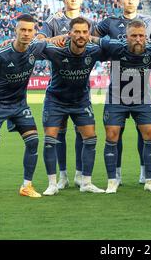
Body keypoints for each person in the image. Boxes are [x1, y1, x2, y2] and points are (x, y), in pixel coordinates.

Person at [0, 14, 62, 200]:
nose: (25, 33)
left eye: (29, 30)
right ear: (15, 30)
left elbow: (51, 40)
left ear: (34, 32)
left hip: (19, 105)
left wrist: (69, 37)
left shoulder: (35, 48)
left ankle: (26, 186)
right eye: (22, 29)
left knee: (33, 141)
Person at [91, 19, 151, 193]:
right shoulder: (114, 47)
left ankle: (149, 180)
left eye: (141, 36)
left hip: (142, 100)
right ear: (126, 37)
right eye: (134, 36)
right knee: (112, 135)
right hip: (117, 99)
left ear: (146, 37)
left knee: (150, 135)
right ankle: (112, 180)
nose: (138, 39)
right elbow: (93, 39)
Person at [94, 0, 151, 185]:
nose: (130, 1)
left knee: (144, 132)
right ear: (120, 0)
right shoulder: (110, 22)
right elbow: (93, 38)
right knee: (115, 133)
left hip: (142, 87)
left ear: (139, 0)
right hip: (117, 87)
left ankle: (144, 172)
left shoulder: (150, 21)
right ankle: (116, 174)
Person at [36, 0, 95, 190]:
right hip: (58, 89)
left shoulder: (88, 23)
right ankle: (62, 177)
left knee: (83, 133)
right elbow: (40, 40)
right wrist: (57, 38)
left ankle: (80, 175)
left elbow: (97, 43)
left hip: (81, 91)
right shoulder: (54, 20)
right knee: (57, 135)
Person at [40, 17, 106, 195]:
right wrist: (50, 39)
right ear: (69, 33)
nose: (81, 35)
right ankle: (54, 183)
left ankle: (85, 182)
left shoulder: (94, 50)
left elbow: (116, 46)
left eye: (85, 32)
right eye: (76, 31)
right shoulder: (56, 50)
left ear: (89, 34)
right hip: (56, 99)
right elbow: (33, 43)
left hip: (80, 100)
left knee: (90, 138)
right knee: (50, 140)